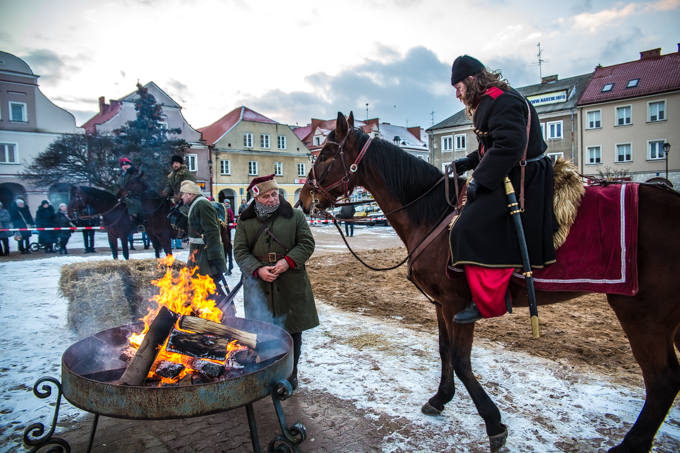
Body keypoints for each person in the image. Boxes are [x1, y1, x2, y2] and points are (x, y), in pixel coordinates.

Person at [448, 55, 556, 324]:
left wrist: (479, 180)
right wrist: (470, 161)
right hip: (508, 171)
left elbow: (511, 145)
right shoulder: (490, 100)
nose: (457, 93)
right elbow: (492, 144)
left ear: (472, 80)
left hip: (523, 178)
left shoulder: (502, 100)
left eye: (458, 86)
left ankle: (488, 300)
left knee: (466, 228)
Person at [233, 174, 318, 390]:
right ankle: (269, 374)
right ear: (257, 199)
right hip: (259, 285)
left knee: (292, 331)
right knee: (263, 331)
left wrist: (287, 262)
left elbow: (307, 244)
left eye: (275, 194)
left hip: (290, 281)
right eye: (267, 196)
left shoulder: (295, 216)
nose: (273, 199)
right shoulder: (245, 221)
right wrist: (257, 269)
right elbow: (240, 252)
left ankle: (291, 374)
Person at [180, 180, 232, 315]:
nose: (181, 197)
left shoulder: (202, 204)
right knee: (199, 286)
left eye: (183, 194)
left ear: (190, 194)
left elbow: (212, 231)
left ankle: (227, 314)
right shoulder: (195, 204)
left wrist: (214, 256)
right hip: (198, 253)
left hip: (205, 254)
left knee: (211, 287)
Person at [115, 157, 145, 232]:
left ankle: (139, 224)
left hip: (133, 195)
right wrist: (117, 193)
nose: (125, 167)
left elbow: (135, 184)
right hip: (121, 196)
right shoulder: (120, 175)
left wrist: (127, 193)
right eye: (123, 165)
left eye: (127, 165)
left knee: (136, 207)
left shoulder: (134, 173)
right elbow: (117, 185)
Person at [224, 199, 235, 273]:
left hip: (227, 231)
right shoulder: (223, 210)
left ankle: (229, 266)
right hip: (225, 230)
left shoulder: (229, 210)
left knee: (227, 248)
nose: (227, 204)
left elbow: (231, 218)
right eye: (226, 203)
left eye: (228, 202)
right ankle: (226, 266)